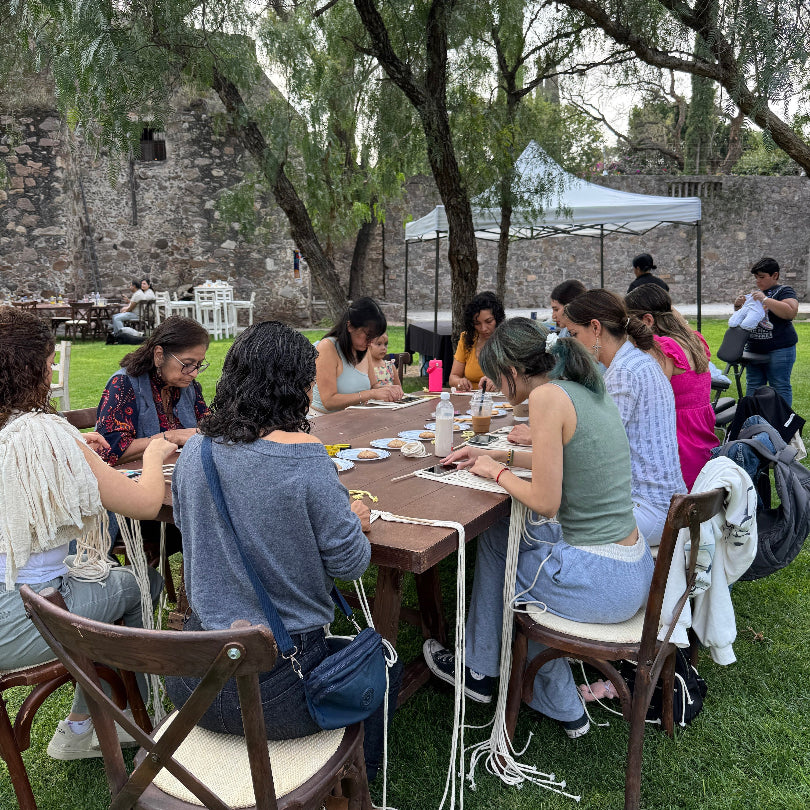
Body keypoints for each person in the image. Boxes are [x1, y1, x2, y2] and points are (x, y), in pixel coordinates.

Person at [423, 317, 653, 738]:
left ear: (512, 373)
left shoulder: (548, 397)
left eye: (496, 379)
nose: (495, 388)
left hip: (600, 581)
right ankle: (492, 674)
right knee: (500, 537)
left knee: (514, 561)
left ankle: (501, 679)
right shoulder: (584, 389)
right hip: (631, 569)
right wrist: (496, 457)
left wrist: (495, 472)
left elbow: (546, 501)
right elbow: (563, 461)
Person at [167, 320, 372, 743]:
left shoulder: (195, 450)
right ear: (295, 389)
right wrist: (353, 520)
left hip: (193, 679)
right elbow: (351, 564)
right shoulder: (305, 458)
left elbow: (195, 531)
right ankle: (361, 792)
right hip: (282, 687)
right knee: (379, 678)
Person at [0, 306, 174, 760]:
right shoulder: (42, 434)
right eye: (47, 360)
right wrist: (155, 452)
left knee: (101, 580)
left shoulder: (28, 436)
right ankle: (113, 722)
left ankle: (88, 719)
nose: (52, 367)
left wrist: (79, 453)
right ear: (32, 366)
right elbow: (147, 503)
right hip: (16, 616)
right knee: (140, 584)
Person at [564, 289, 686, 545]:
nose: (572, 343)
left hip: (648, 509)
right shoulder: (637, 360)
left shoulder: (624, 371)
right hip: (666, 503)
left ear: (595, 327)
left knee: (546, 523)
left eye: (574, 334)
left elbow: (595, 451)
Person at [626, 285, 718, 488]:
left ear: (647, 320)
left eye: (629, 323)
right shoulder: (693, 340)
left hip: (679, 445)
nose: (627, 331)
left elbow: (645, 402)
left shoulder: (661, 348)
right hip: (702, 441)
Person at [96, 316, 210, 465]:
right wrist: (171, 437)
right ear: (159, 355)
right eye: (187, 364)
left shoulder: (187, 387)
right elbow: (108, 451)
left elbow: (208, 427)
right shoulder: (123, 384)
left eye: (199, 364)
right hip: (136, 482)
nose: (194, 373)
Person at [311, 297, 403, 412]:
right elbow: (329, 401)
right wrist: (372, 394)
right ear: (350, 326)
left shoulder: (364, 349)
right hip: (325, 422)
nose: (370, 342)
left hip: (355, 419)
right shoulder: (328, 347)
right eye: (368, 335)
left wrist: (388, 390)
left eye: (374, 337)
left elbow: (373, 386)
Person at [732, 257, 799, 405]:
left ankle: (784, 425)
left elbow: (790, 312)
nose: (757, 281)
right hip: (754, 349)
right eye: (756, 277)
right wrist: (738, 307)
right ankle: (752, 422)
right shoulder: (755, 294)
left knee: (780, 387)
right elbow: (743, 321)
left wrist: (765, 300)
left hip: (780, 349)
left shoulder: (784, 291)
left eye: (762, 277)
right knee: (753, 387)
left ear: (775, 276)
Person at [448, 291, 506, 391]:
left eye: (489, 321)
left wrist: (500, 381)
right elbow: (453, 377)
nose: (483, 328)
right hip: (471, 400)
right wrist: (460, 382)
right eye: (477, 323)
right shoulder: (467, 339)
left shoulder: (509, 339)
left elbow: (522, 377)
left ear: (498, 319)